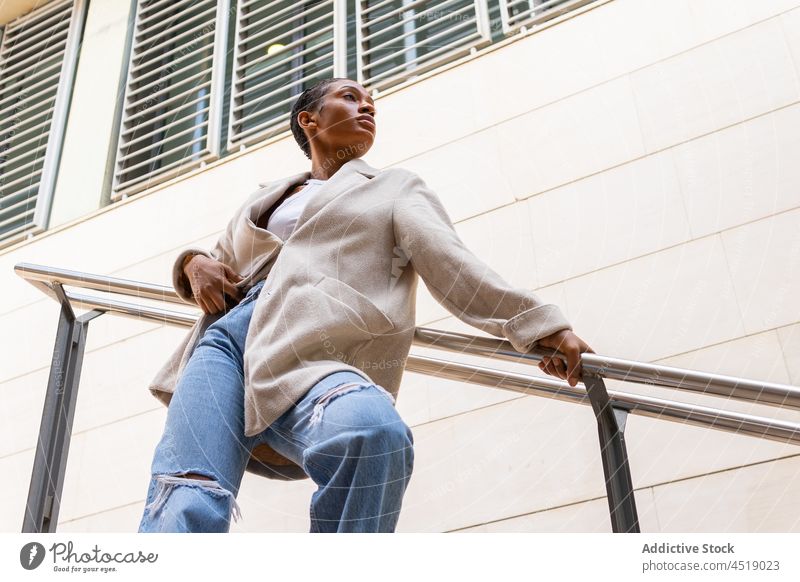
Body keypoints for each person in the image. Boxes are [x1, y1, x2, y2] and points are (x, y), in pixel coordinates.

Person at [138, 77, 595, 534]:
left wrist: (540, 327)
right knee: (188, 491)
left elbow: (452, 264)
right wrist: (192, 264)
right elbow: (220, 262)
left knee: (373, 434)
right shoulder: (266, 196)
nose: (367, 107)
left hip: (308, 352)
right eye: (351, 97)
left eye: (372, 103)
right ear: (309, 120)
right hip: (223, 343)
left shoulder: (393, 187)